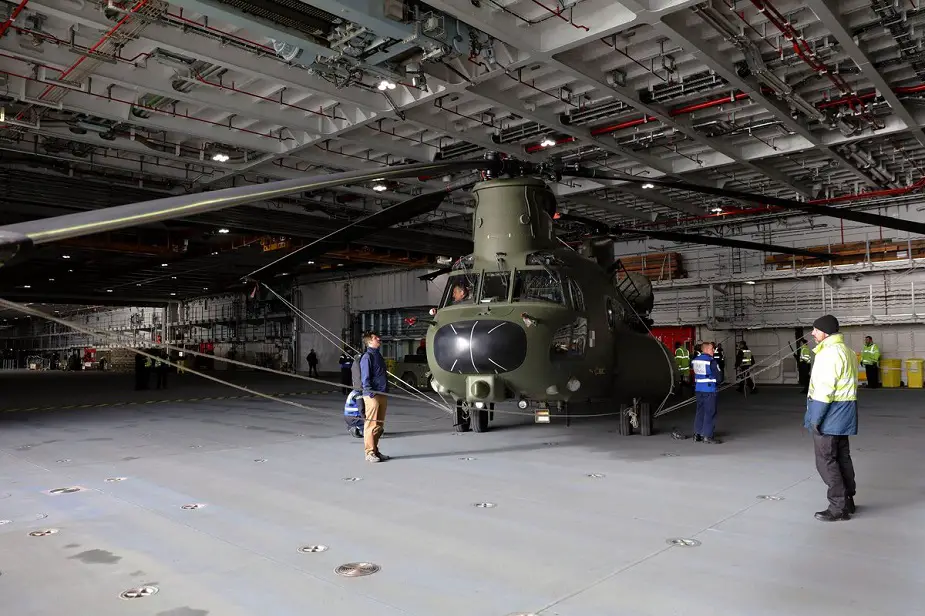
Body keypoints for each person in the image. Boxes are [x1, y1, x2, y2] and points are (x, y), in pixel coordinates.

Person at [805, 314, 858, 522]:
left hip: (830, 414)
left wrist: (815, 418)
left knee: (826, 461)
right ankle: (848, 501)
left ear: (824, 332)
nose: (813, 333)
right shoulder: (847, 351)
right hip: (844, 413)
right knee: (842, 458)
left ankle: (837, 507)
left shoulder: (829, 354)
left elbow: (825, 389)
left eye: (815, 330)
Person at [359, 331, 389, 463]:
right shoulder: (367, 357)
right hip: (373, 395)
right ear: (369, 341)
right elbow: (365, 377)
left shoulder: (378, 355)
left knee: (379, 426)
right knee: (371, 425)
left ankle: (375, 450)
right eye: (376, 338)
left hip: (382, 393)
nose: (379, 339)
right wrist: (371, 393)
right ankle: (369, 453)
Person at [691, 341, 724, 444]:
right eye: (711, 349)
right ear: (705, 349)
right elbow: (719, 377)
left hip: (699, 390)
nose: (713, 351)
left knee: (700, 411)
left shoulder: (695, 361)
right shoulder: (711, 361)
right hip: (709, 390)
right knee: (710, 412)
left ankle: (697, 434)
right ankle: (708, 436)